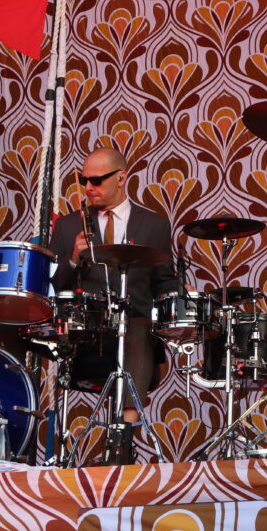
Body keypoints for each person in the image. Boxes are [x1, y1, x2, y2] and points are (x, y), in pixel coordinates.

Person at [49, 147, 176, 426]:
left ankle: (123, 433)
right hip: (86, 333)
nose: (88, 187)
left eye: (97, 180)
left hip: (136, 330)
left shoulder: (154, 225)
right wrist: (72, 259)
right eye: (84, 180)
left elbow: (164, 281)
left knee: (138, 327)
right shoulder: (68, 226)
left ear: (121, 178)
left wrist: (179, 295)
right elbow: (51, 287)